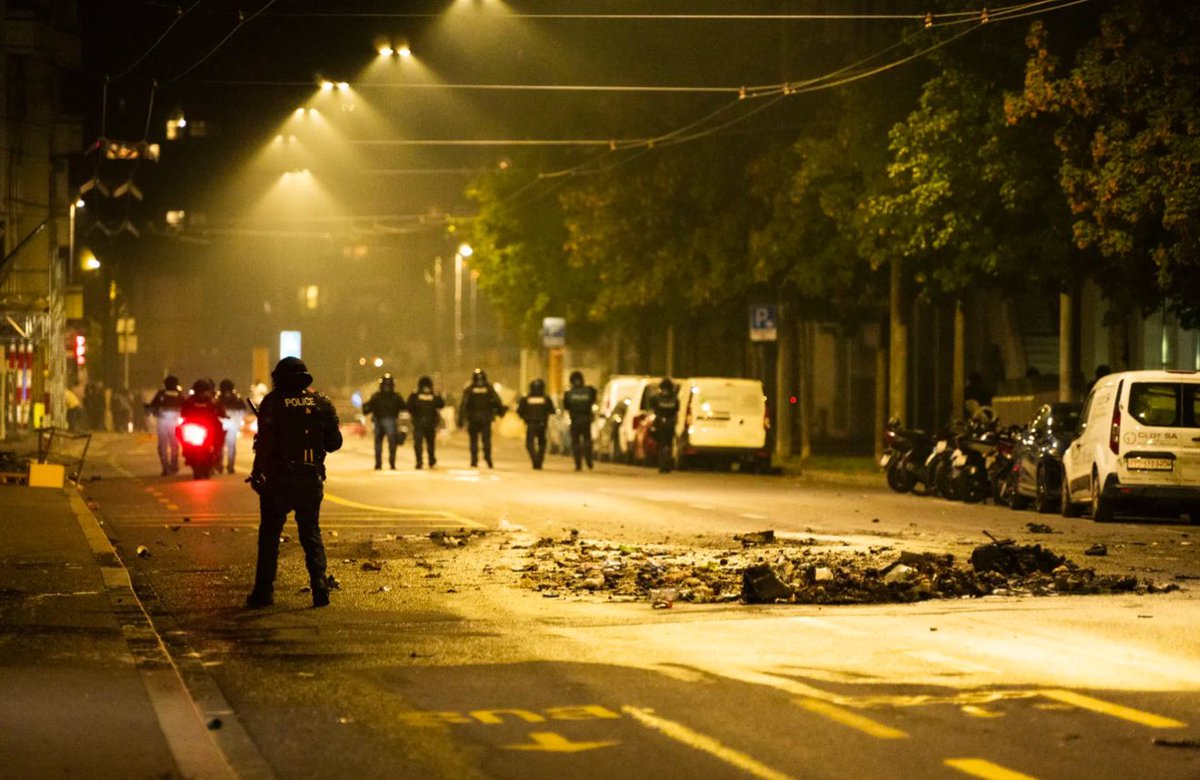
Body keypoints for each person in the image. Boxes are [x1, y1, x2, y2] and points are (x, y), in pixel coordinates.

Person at [245, 357, 343, 609]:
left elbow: (264, 444)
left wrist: (257, 474)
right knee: (310, 532)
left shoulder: (272, 402)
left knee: (269, 535)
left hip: (278, 479)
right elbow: (334, 443)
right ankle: (319, 585)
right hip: (310, 477)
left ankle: (263, 592)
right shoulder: (321, 402)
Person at [458, 368, 506, 468]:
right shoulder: (489, 388)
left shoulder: (470, 388)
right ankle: (488, 459)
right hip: (486, 419)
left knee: (474, 441)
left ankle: (474, 460)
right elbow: (497, 401)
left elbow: (463, 404)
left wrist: (461, 419)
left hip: (473, 419)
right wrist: (501, 413)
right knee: (486, 440)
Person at [363, 373, 406, 470]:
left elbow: (367, 408)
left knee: (381, 443)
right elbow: (404, 407)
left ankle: (380, 464)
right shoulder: (394, 396)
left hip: (381, 421)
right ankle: (390, 463)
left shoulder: (378, 396)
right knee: (390, 443)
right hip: (386, 421)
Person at [180, 379, 226, 468]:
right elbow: (183, 413)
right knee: (180, 432)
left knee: (219, 433)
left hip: (208, 427)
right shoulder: (191, 400)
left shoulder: (211, 401)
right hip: (194, 426)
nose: (202, 393)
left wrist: (223, 415)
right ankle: (187, 452)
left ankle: (216, 453)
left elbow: (220, 411)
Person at [145, 376, 184, 475]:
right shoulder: (179, 395)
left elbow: (152, 406)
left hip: (162, 421)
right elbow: (186, 408)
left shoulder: (161, 394)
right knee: (174, 444)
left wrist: (149, 409)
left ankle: (166, 467)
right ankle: (174, 465)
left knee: (163, 444)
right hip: (175, 422)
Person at [562, 370, 597, 471]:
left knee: (576, 442)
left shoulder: (569, 393)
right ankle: (589, 461)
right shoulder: (589, 390)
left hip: (575, 420)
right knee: (587, 441)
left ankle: (578, 464)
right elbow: (593, 399)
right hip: (586, 419)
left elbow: (566, 406)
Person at [406, 375, 444, 469]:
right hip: (429, 422)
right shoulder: (433, 394)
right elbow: (441, 404)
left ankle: (420, 461)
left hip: (419, 422)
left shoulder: (415, 394)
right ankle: (430, 460)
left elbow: (409, 406)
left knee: (419, 443)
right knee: (430, 443)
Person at [517, 378, 555, 469]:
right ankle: (539, 460)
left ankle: (535, 459)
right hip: (542, 424)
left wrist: (525, 418)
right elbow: (552, 410)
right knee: (542, 443)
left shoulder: (526, 398)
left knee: (529, 443)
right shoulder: (546, 398)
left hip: (531, 424)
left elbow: (520, 411)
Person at [648, 377, 680, 473]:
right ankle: (667, 464)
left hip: (661, 424)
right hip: (670, 424)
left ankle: (663, 465)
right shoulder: (674, 399)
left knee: (662, 445)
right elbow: (676, 410)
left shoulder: (656, 398)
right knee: (668, 445)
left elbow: (653, 409)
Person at [217, 379, 248, 474]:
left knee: (220, 446)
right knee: (231, 446)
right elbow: (243, 411)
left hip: (221, 425)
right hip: (233, 426)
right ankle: (230, 466)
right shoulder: (237, 399)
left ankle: (219, 466)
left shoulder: (218, 399)